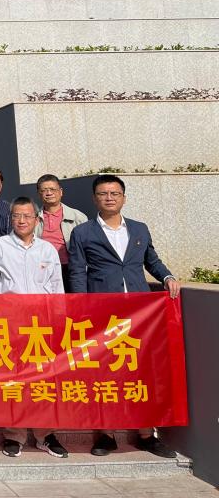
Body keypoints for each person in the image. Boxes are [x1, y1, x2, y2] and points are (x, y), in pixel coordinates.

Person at [69, 174, 180, 459]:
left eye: (114, 193)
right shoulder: (82, 233)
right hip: (103, 314)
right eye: (103, 194)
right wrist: (82, 309)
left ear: (123, 198)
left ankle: (146, 433)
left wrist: (167, 277)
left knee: (142, 373)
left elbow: (151, 260)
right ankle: (106, 435)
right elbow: (77, 272)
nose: (109, 198)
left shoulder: (139, 229)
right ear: (95, 199)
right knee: (105, 375)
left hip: (140, 315)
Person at [0, 197, 67, 459]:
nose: (21, 220)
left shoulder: (47, 250)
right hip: (10, 324)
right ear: (11, 219)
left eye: (27, 216)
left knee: (44, 380)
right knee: (13, 380)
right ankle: (14, 434)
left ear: (37, 219)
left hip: (42, 326)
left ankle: (45, 434)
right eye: (17, 215)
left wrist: (58, 322)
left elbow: (57, 288)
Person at [33, 174, 88, 290]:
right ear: (39, 193)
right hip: (43, 269)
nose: (49, 193)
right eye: (44, 190)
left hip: (70, 269)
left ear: (61, 191)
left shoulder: (78, 217)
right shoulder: (33, 218)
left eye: (52, 189)